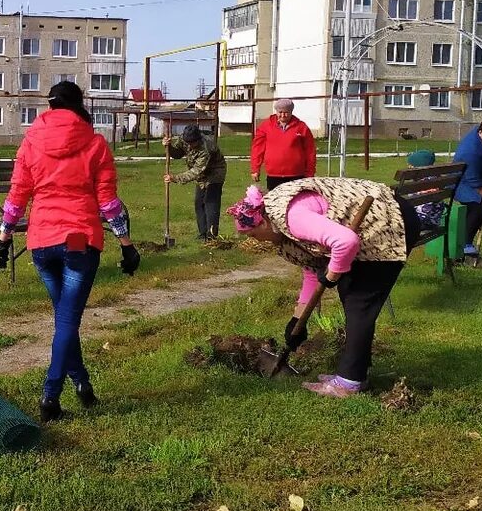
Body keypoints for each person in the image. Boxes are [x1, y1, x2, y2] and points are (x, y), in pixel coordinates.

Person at [0, 81, 139, 423]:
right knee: (68, 321)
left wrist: (3, 239)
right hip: (78, 241)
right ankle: (50, 397)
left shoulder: (31, 142)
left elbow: (17, 195)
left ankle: (83, 385)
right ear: (79, 105)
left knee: (64, 320)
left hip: (41, 241)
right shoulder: (96, 143)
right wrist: (126, 243)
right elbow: (108, 202)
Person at [228, 177, 420, 399]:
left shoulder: (292, 217)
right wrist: (297, 320)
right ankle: (356, 373)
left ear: (262, 222)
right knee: (353, 295)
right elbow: (311, 269)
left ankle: (349, 382)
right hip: (378, 224)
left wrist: (332, 274)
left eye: (252, 235)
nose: (256, 241)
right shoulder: (277, 223)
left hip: (388, 222)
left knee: (359, 300)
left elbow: (345, 241)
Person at [451, 117, 482, 268]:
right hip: (464, 185)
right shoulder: (470, 150)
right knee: (478, 207)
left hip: (475, 182)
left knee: (479, 208)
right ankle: (465, 248)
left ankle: (464, 246)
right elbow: (472, 178)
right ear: (481, 132)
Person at [164, 124, 227, 242]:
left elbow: (196, 172)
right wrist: (169, 147)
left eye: (192, 143)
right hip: (201, 174)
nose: (189, 146)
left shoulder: (206, 147)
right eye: (187, 142)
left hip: (215, 173)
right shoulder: (184, 139)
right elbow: (178, 153)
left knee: (210, 202)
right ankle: (202, 233)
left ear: (198, 139)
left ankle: (212, 236)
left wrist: (176, 178)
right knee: (199, 203)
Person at [251, 98, 316, 190]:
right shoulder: (265, 126)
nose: (283, 115)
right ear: (276, 112)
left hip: (296, 175)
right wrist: (255, 169)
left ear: (291, 112)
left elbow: (310, 151)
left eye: (286, 112)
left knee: (296, 203)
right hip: (274, 175)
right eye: (280, 112)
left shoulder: (301, 127)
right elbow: (257, 149)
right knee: (275, 203)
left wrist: (310, 172)